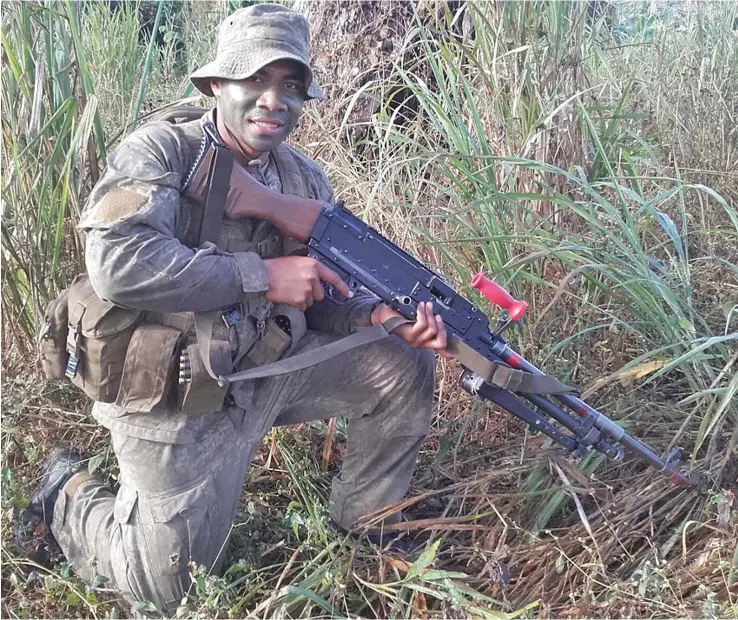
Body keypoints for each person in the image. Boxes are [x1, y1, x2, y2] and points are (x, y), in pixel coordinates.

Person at [15, 3, 449, 615]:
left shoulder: (303, 181)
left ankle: (369, 518)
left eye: (291, 86)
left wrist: (374, 319)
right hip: (172, 391)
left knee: (399, 359)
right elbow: (117, 263)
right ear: (217, 85)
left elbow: (322, 297)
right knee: (169, 593)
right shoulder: (164, 152)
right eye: (255, 80)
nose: (274, 100)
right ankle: (68, 492)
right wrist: (261, 275)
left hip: (262, 372)